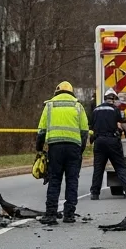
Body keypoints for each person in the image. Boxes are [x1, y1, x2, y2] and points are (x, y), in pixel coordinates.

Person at [36, 80, 89, 225]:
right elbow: (84, 132)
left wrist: (39, 150)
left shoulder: (50, 105)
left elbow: (41, 132)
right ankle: (69, 214)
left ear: (56, 92)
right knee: (72, 181)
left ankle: (51, 214)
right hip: (73, 148)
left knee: (54, 180)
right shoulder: (78, 106)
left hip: (55, 147)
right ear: (71, 92)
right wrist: (81, 149)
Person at [89, 90, 126, 200]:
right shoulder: (116, 110)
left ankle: (95, 193)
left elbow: (92, 126)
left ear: (105, 98)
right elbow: (125, 124)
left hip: (99, 141)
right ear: (114, 99)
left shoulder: (96, 110)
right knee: (120, 167)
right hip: (112, 141)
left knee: (98, 168)